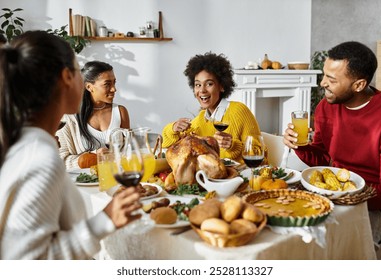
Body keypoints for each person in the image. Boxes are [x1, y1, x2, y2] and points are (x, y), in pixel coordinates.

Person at [0, 31, 142, 259]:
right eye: (78, 71)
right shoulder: (40, 158)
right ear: (67, 77)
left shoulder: (26, 144)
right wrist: (104, 222)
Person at [283, 41, 381, 244]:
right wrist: (301, 145)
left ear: (359, 85)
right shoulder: (326, 106)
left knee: (326, 243)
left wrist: (339, 196)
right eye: (324, 74)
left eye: (331, 79)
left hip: (376, 204)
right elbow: (323, 158)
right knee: (290, 227)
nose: (322, 83)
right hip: (335, 194)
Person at [162, 52, 263, 163]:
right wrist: (174, 128)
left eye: (209, 84)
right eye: (198, 85)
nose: (202, 90)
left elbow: (260, 154)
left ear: (222, 86)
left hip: (242, 177)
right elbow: (167, 144)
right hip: (213, 178)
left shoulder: (239, 111)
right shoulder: (201, 119)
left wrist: (233, 146)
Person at [56, 60, 130, 169]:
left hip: (117, 178)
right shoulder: (68, 117)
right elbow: (61, 161)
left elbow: (128, 152)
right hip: (84, 183)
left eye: (114, 82)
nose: (114, 89)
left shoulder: (120, 112)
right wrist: (94, 158)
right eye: (107, 84)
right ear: (89, 87)